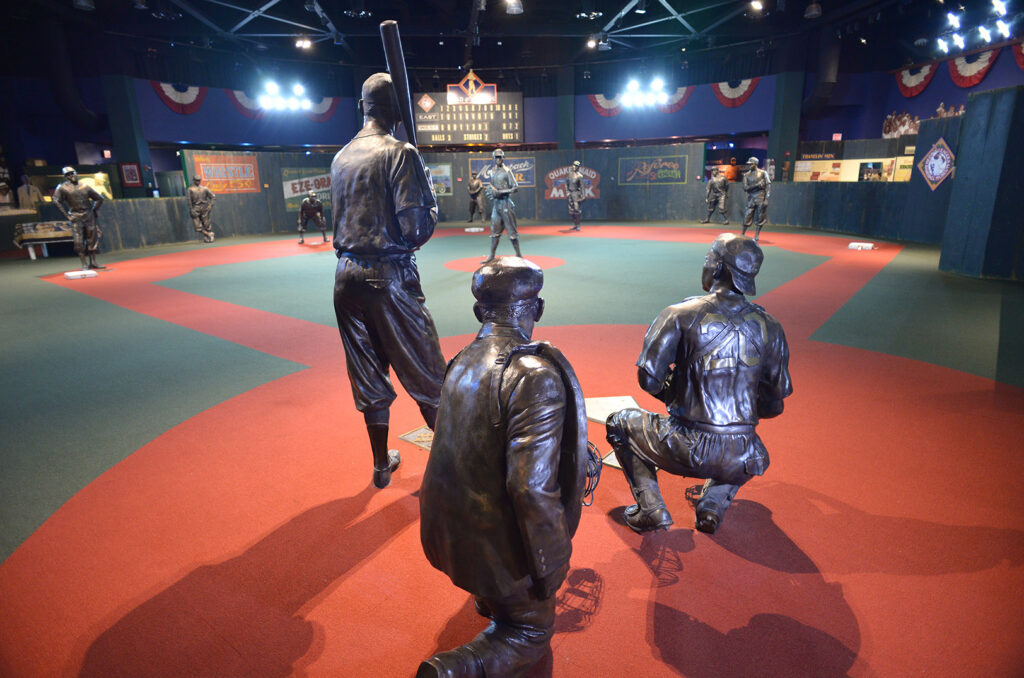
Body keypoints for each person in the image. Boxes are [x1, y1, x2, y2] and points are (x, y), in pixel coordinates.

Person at [419, 257, 588, 678]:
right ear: (540, 308)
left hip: (443, 537)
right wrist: (553, 562)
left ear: (479, 312)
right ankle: (454, 668)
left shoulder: (461, 359)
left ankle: (487, 594)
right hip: (489, 548)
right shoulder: (534, 374)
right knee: (530, 632)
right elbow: (530, 488)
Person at [606, 233, 791, 534]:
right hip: (744, 454)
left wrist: (675, 394)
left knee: (619, 422)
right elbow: (773, 407)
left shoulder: (679, 314)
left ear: (719, 269)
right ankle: (712, 505)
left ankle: (650, 507)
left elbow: (647, 379)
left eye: (709, 259)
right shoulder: (772, 328)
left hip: (684, 447)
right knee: (742, 446)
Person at [331, 72, 446, 489]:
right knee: (430, 375)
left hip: (345, 278)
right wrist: (429, 198)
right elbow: (416, 229)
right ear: (396, 110)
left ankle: (381, 465)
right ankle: (456, 468)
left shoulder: (341, 156)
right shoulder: (400, 152)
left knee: (368, 373)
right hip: (389, 277)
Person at [53, 166, 105, 270]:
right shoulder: (63, 187)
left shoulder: (85, 186)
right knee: (78, 241)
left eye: (72, 173)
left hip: (88, 214)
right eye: (68, 175)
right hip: (76, 216)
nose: (71, 176)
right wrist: (67, 215)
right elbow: (56, 200)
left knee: (92, 239)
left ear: (76, 172)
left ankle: (93, 262)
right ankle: (84, 264)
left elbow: (99, 198)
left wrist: (94, 210)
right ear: (65, 177)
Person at [482, 148, 520, 262]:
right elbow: (492, 186)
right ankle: (492, 255)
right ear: (493, 158)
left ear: (503, 158)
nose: (498, 159)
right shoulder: (492, 171)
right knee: (494, 231)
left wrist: (500, 192)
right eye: (496, 157)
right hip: (496, 205)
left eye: (500, 157)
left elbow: (515, 187)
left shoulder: (507, 171)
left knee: (511, 231)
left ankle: (518, 254)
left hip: (506, 203)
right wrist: (491, 190)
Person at [742, 157, 770, 241]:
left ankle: (757, 234)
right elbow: (745, 188)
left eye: (751, 164)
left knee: (760, 216)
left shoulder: (763, 173)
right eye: (749, 164)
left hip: (761, 196)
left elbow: (768, 186)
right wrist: (757, 185)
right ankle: (743, 233)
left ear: (755, 164)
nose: (749, 166)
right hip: (751, 197)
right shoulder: (746, 175)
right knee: (747, 215)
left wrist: (766, 199)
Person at [187, 175, 216, 243]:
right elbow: (189, 200)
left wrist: (210, 205)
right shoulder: (190, 189)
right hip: (195, 208)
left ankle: (207, 237)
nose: (198, 182)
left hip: (205, 207)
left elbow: (213, 196)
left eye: (199, 180)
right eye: (196, 180)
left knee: (206, 224)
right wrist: (191, 209)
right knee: (197, 226)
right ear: (193, 180)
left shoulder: (205, 188)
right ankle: (209, 234)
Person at [566, 160, 585, 231]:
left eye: (576, 166)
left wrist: (583, 196)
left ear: (578, 167)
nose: (574, 167)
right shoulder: (569, 174)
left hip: (576, 193)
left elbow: (582, 187)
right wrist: (567, 192)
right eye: (574, 165)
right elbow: (566, 184)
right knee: (571, 211)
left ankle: (578, 225)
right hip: (570, 194)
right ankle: (574, 224)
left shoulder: (580, 176)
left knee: (577, 210)